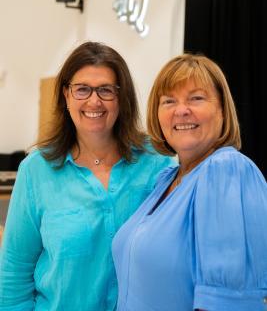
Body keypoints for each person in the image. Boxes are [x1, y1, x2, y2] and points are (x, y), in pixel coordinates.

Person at [0, 41, 176, 311]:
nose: (94, 101)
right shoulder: (36, 170)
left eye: (106, 90)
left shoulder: (156, 164)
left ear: (122, 97)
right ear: (66, 96)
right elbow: (14, 274)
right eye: (82, 89)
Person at [112, 53, 267, 311]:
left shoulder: (225, 171)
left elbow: (227, 303)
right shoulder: (166, 180)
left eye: (196, 98)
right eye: (169, 101)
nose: (181, 110)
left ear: (222, 111)